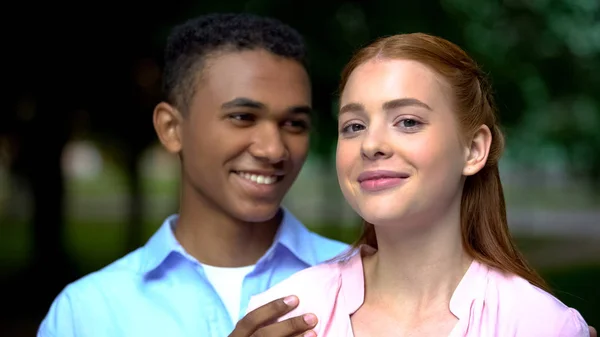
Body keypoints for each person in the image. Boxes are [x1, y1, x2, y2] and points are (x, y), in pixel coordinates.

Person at [247, 33, 595, 336]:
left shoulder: (539, 325)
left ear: (473, 150)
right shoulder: (285, 316)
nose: (371, 145)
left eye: (408, 121)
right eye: (354, 126)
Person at [37, 13, 348, 337]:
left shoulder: (367, 280)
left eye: (295, 123)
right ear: (171, 128)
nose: (273, 150)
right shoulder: (86, 313)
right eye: (243, 117)